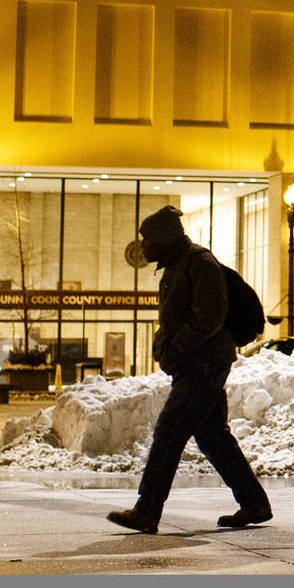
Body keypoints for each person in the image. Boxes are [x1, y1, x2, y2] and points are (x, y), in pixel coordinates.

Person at [107, 205, 272, 534]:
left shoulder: (198, 262)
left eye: (147, 240)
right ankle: (254, 504)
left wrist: (177, 348)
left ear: (164, 238)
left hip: (204, 363)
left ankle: (147, 510)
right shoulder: (177, 266)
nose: (143, 246)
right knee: (212, 437)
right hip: (198, 363)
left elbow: (210, 316)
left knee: (169, 430)